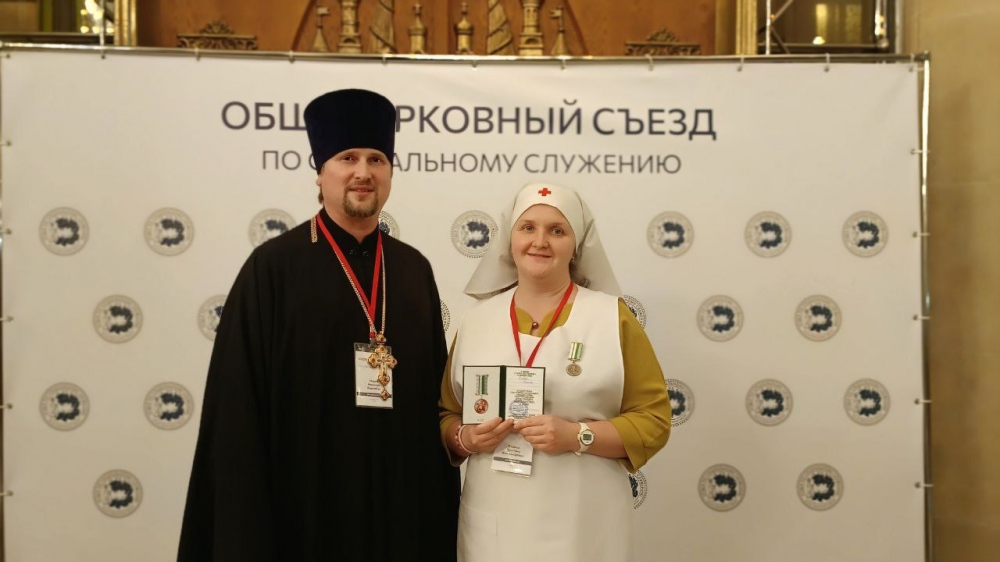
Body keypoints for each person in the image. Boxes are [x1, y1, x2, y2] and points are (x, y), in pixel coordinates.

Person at [179, 88, 460, 561]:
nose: (363, 172)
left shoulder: (413, 269)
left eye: (376, 159)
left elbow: (434, 398)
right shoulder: (273, 268)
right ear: (320, 172)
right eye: (348, 158)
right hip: (303, 506)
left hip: (398, 506)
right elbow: (237, 411)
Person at [439, 182, 672, 562]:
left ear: (576, 244)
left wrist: (576, 435)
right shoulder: (476, 321)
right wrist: (466, 438)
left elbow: (653, 420)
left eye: (557, 230)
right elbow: (447, 414)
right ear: (510, 239)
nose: (540, 241)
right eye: (528, 227)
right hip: (493, 526)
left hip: (583, 527)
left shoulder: (612, 318)